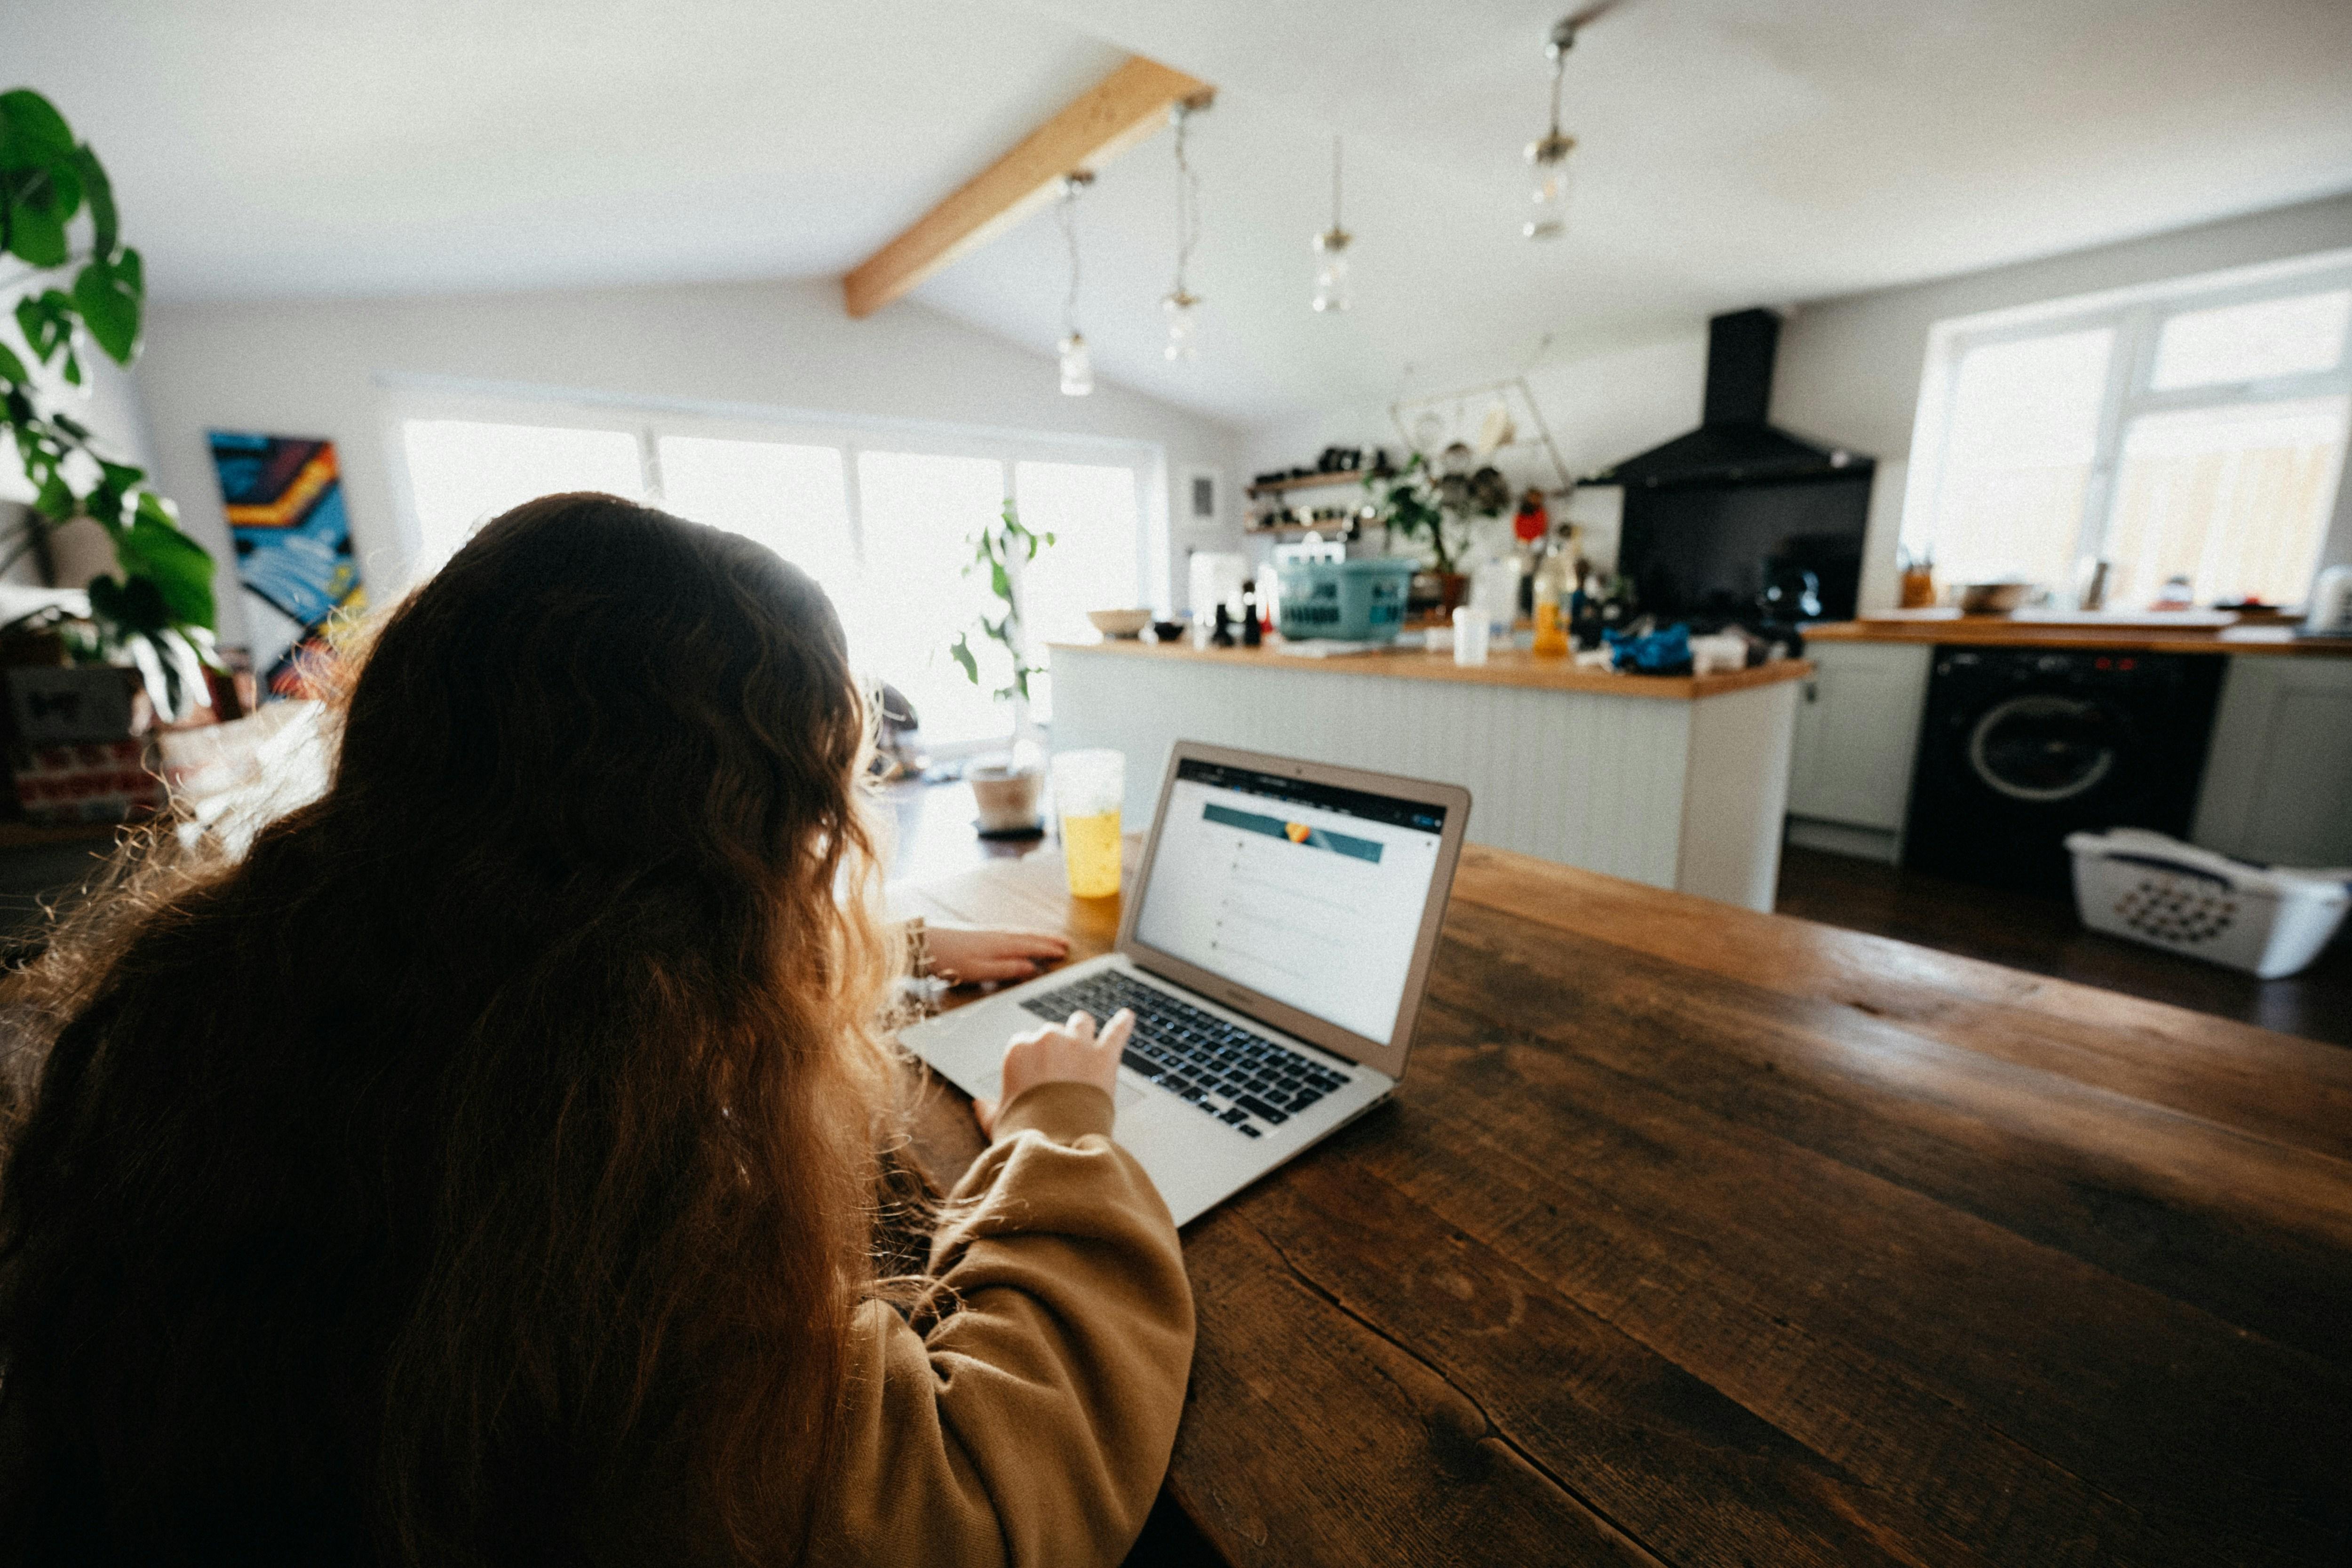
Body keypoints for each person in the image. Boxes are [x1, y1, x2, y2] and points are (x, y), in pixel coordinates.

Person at [0, 493, 1193, 1566]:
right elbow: (970, 1497)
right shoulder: (594, 1202)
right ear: (726, 857)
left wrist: (895, 953)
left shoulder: (229, 1005)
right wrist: (1060, 1128)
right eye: (805, 811)